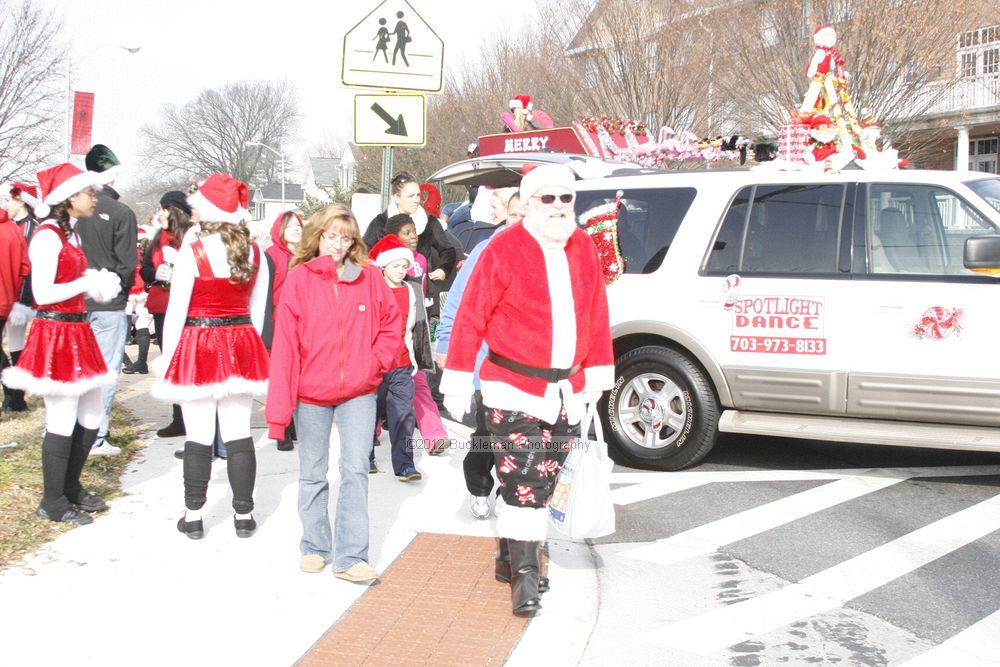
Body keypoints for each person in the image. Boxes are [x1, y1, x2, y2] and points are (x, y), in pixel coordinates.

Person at [441, 164, 614, 615]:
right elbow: (470, 315)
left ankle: (508, 551)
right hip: (510, 386)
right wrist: (458, 375)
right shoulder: (504, 247)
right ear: (529, 202)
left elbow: (596, 313)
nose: (557, 207)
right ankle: (525, 574)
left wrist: (598, 371)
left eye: (565, 199)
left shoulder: (583, 249)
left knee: (548, 476)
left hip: (566, 389)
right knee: (524, 481)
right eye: (547, 199)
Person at [266, 204, 400, 583]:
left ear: (353, 240)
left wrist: (375, 363)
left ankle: (351, 556)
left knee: (356, 469)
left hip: (359, 390)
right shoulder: (299, 278)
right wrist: (278, 413)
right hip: (311, 393)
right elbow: (286, 347)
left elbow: (391, 324)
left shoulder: (369, 278)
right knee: (312, 472)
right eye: (331, 236)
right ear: (318, 236)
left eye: (345, 237)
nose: (338, 244)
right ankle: (314, 546)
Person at [1, 163, 122, 524]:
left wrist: (93, 282)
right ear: (69, 197)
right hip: (55, 333)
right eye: (89, 191)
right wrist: (88, 283)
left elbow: (67, 281)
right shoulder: (47, 235)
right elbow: (43, 292)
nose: (94, 196)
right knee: (63, 417)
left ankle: (70, 487)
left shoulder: (72, 233)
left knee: (91, 413)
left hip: (76, 330)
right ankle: (52, 499)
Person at [150, 173, 269, 540]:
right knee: (238, 433)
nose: (192, 204)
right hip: (241, 339)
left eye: (199, 199)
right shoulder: (256, 250)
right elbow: (258, 311)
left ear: (213, 207)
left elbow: (176, 311)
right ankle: (243, 516)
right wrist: (248, 343)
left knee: (198, 435)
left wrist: (168, 360)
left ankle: (194, 515)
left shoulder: (193, 246)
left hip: (198, 341)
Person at [436, 191, 523, 520]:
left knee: (518, 435)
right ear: (503, 216)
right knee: (490, 432)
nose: (519, 222)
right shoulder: (488, 250)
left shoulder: (544, 253)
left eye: (525, 215)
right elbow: (458, 300)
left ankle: (509, 489)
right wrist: (446, 343)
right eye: (513, 215)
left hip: (527, 367)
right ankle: (480, 486)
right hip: (489, 364)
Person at [75, 144, 137, 457]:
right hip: (108, 304)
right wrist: (121, 293)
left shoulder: (73, 210)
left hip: (75, 302)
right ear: (113, 178)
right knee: (106, 370)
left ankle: (70, 430)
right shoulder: (122, 213)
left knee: (77, 369)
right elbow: (127, 264)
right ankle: (97, 436)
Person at [367, 234, 434, 481]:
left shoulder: (412, 290)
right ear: (383, 266)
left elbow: (419, 326)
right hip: (375, 365)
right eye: (396, 266)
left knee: (403, 414)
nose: (401, 271)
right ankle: (366, 456)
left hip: (403, 364)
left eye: (405, 266)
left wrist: (422, 358)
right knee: (370, 412)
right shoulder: (373, 289)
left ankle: (405, 464)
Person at [383, 214, 450, 455]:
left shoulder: (421, 259)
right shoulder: (378, 275)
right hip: (385, 346)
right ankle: (368, 438)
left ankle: (435, 435)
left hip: (413, 336)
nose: (413, 237)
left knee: (420, 383)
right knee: (376, 393)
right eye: (406, 233)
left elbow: (423, 297)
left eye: (414, 232)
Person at [363, 172, 456, 317]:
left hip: (420, 293)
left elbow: (448, 249)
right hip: (387, 293)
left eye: (418, 195)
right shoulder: (380, 223)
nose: (416, 200)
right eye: (410, 196)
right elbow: (363, 253)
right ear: (396, 197)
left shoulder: (429, 222)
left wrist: (444, 269)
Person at [141, 190, 194, 438]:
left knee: (190, 363)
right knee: (171, 361)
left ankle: (194, 414)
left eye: (164, 208)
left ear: (176, 211)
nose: (160, 213)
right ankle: (179, 418)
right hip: (163, 307)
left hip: (188, 307)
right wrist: (155, 274)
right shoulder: (155, 238)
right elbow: (145, 269)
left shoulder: (191, 236)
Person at [264, 210, 303, 452]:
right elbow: (265, 296)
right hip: (280, 322)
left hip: (306, 323)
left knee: (301, 375)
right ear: (280, 230)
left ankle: (297, 423)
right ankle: (282, 428)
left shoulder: (308, 255)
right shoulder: (271, 256)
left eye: (298, 225)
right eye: (290, 226)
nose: (296, 229)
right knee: (282, 377)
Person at [3, 183, 42, 412]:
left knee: (16, 344)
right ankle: (12, 395)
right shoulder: (11, 225)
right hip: (8, 292)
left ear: (21, 201)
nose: (5, 204)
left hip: (19, 297)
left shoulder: (32, 229)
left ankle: (16, 396)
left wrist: (23, 302)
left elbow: (30, 268)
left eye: (9, 199)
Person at [0, 208, 30, 404]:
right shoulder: (12, 228)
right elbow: (24, 266)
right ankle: (13, 395)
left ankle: (12, 395)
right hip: (6, 297)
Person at [122, 227, 151, 374]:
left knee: (124, 320)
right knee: (142, 323)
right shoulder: (147, 249)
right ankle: (141, 362)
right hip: (144, 291)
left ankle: (134, 360)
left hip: (131, 289)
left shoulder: (126, 250)